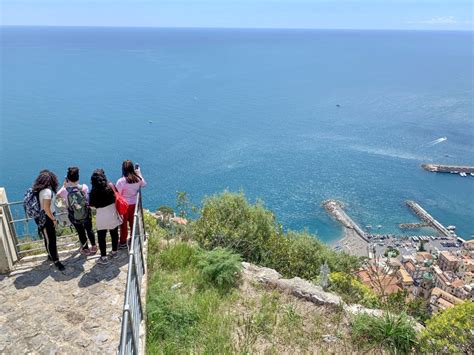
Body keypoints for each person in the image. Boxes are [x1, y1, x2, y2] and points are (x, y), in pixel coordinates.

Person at [57, 167, 97, 256]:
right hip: (86, 213)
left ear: (67, 179)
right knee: (89, 229)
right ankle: (94, 246)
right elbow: (87, 200)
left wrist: (64, 185)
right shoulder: (84, 187)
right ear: (78, 178)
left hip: (73, 215)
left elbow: (57, 196)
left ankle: (85, 249)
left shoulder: (64, 191)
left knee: (81, 231)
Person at [32, 170, 65, 270]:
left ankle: (50, 255)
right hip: (47, 218)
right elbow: (47, 208)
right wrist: (54, 219)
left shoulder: (40, 190)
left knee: (47, 238)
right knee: (52, 240)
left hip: (41, 217)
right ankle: (56, 260)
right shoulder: (47, 192)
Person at [89, 169, 122, 265]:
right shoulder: (111, 186)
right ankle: (114, 252)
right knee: (114, 233)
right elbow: (117, 195)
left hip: (101, 215)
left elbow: (91, 204)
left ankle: (103, 258)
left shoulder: (93, 192)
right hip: (112, 213)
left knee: (101, 236)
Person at [116, 160, 146, 248]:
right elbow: (144, 184)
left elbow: (118, 194)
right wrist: (139, 173)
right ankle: (133, 240)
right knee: (133, 224)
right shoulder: (137, 179)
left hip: (124, 206)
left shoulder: (121, 181)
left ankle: (123, 242)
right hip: (134, 205)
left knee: (123, 225)